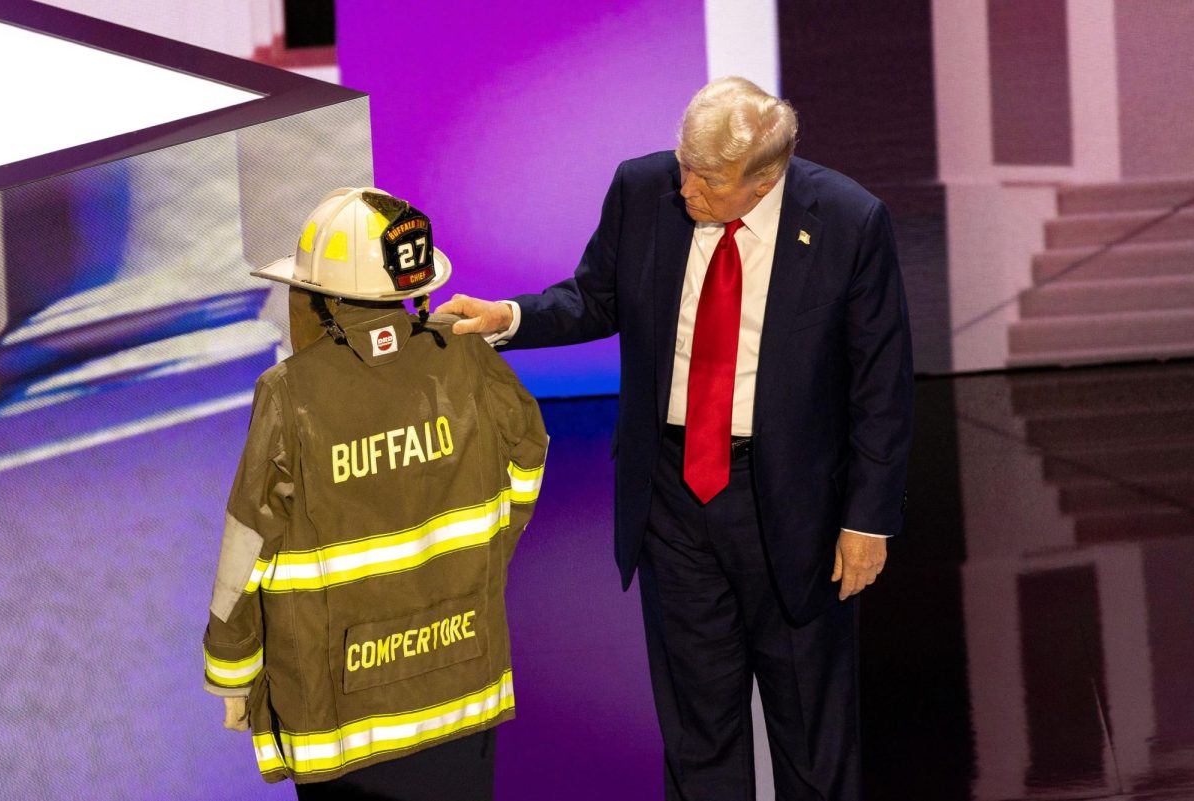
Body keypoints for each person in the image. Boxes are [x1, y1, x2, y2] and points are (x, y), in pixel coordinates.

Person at [438, 77, 913, 800]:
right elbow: (593, 297)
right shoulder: (643, 188)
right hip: (673, 497)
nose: (685, 185)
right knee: (699, 729)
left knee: (813, 738)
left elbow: (881, 385)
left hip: (793, 510)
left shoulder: (849, 221)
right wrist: (508, 318)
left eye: (709, 178)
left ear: (765, 179)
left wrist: (867, 519)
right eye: (683, 162)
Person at [202, 188, 548, 799]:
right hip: (459, 677)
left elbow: (247, 548)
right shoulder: (468, 356)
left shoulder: (289, 394)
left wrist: (232, 674)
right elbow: (528, 456)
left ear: (324, 298)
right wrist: (485, 553)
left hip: (338, 710)